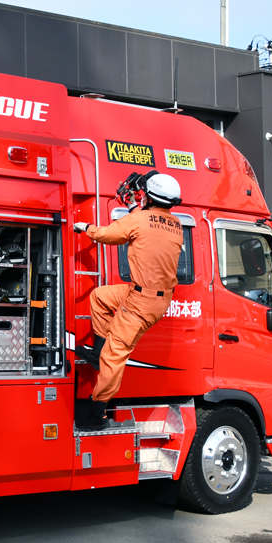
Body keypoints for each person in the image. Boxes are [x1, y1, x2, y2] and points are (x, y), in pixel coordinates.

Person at [72, 171, 183, 431]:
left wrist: (85, 228)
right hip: (147, 296)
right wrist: (134, 206)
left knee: (115, 355)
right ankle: (99, 350)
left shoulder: (140, 220)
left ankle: (97, 413)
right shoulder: (175, 224)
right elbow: (148, 223)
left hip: (141, 302)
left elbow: (109, 235)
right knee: (100, 297)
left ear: (150, 196)